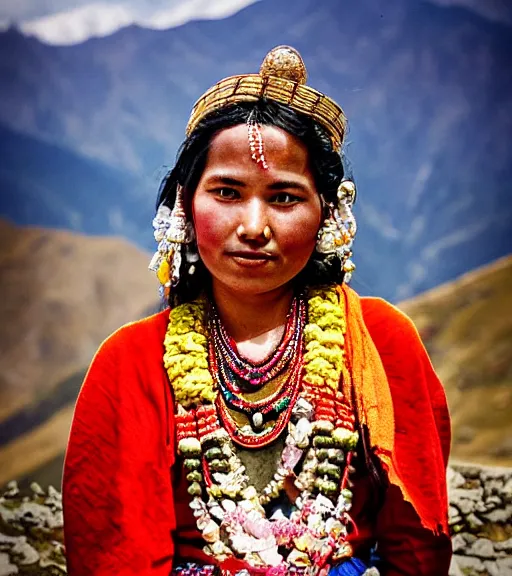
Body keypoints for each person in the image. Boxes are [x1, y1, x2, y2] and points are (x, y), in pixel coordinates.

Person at [62, 46, 452, 576]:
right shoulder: (130, 363)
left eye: (285, 198)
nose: (253, 225)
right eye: (226, 191)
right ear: (185, 203)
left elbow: (417, 546)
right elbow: (113, 552)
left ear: (328, 213)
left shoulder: (383, 342)